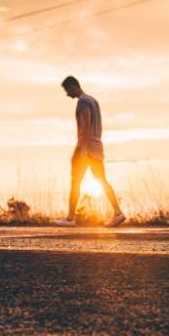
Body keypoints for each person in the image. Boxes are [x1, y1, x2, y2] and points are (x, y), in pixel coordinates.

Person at [52, 76, 126, 227]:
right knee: (101, 180)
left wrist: (79, 152)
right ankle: (118, 213)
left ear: (73, 86)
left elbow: (84, 130)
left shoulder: (83, 102)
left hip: (87, 149)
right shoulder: (93, 100)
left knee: (75, 182)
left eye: (67, 90)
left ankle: (70, 218)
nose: (67, 94)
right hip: (97, 147)